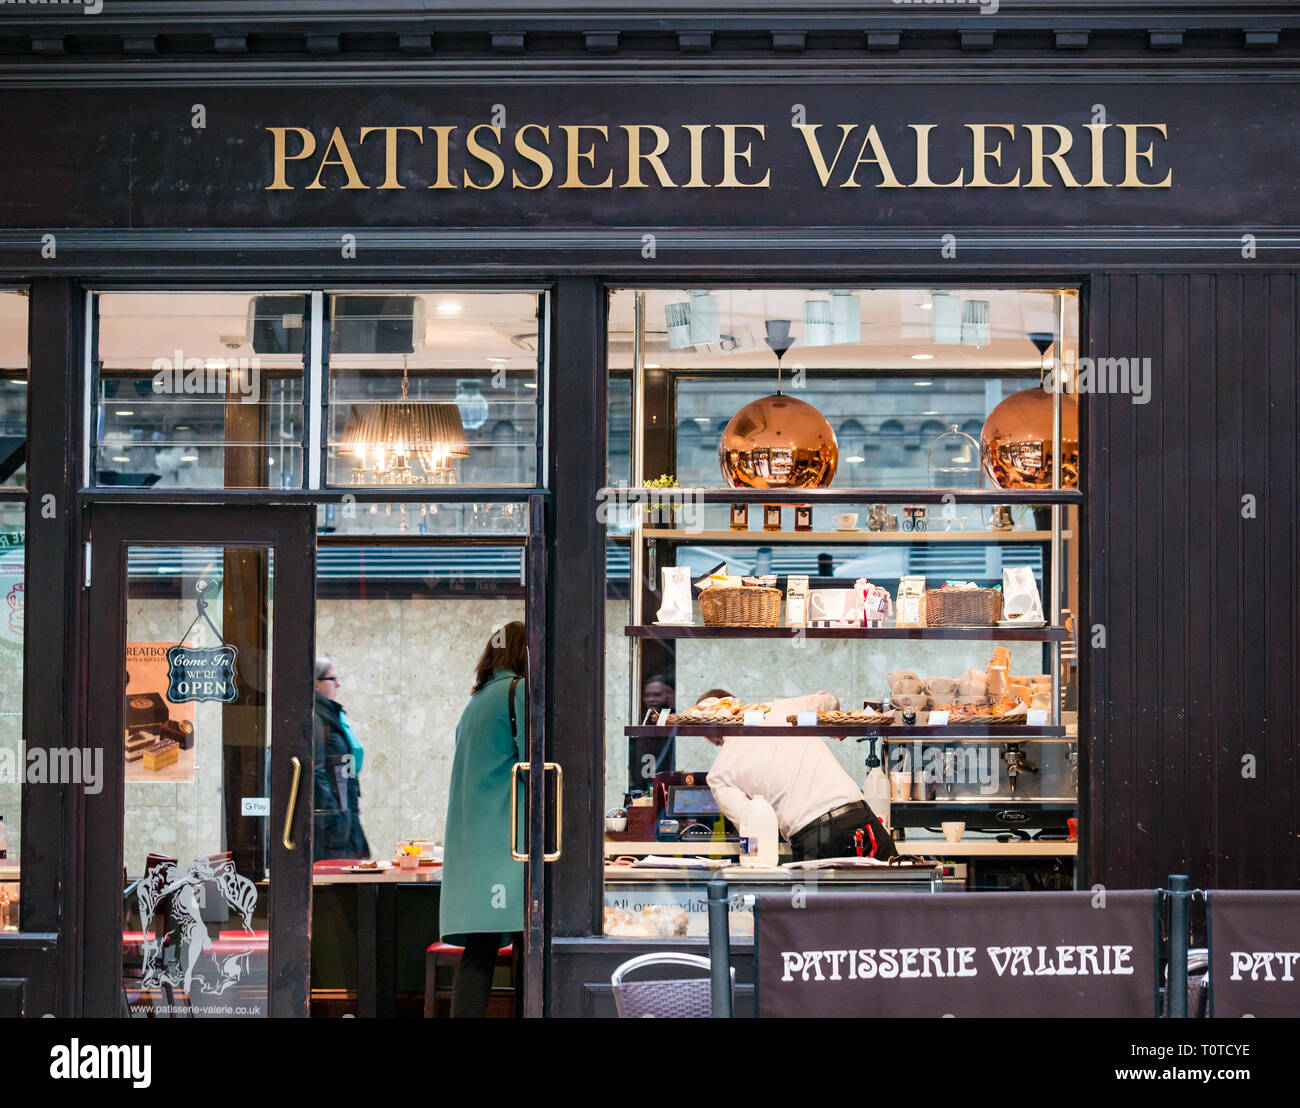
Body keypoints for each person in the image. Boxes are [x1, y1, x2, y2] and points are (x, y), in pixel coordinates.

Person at [441, 621, 528, 1018]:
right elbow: (535, 767)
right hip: (503, 843)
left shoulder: (475, 702)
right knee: (528, 940)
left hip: (472, 846)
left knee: (481, 946)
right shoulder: (518, 692)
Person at [705, 690, 897, 862]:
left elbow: (753, 827)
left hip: (812, 837)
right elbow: (829, 700)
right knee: (898, 896)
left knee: (828, 902)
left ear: (707, 736)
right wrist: (835, 727)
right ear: (738, 704)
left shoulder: (719, 774)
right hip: (858, 818)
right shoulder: (782, 708)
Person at [312, 656, 371, 861]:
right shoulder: (317, 719)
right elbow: (316, 773)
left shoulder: (330, 715)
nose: (338, 684)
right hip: (334, 828)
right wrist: (332, 817)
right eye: (332, 678)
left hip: (344, 817)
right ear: (316, 683)